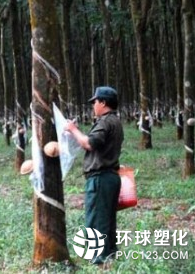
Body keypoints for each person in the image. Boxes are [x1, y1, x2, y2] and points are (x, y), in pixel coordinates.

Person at [65, 86, 124, 265]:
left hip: (101, 178)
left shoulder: (105, 122)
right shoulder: (115, 121)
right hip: (109, 177)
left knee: (97, 221)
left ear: (103, 103)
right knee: (106, 220)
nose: (93, 106)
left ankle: (100, 261)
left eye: (95, 102)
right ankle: (108, 258)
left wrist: (73, 129)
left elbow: (90, 143)